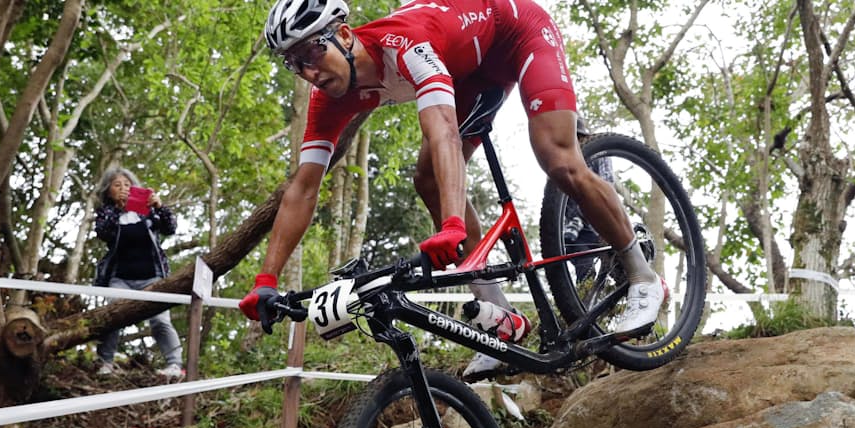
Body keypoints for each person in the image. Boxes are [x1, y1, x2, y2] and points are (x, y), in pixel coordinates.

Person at [242, 0, 667, 379]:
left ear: (345, 35)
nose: (309, 72)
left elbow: (443, 130)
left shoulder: (404, 43)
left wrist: (451, 224)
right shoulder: (328, 100)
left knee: (559, 159)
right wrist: (266, 279)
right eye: (294, 63)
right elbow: (302, 189)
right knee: (426, 178)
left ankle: (643, 277)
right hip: (466, 68)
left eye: (312, 51)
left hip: (517, 32)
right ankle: (501, 316)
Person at [92, 167, 185, 379]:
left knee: (161, 321)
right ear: (108, 191)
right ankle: (105, 362)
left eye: (127, 185)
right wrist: (119, 208)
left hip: (152, 277)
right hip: (120, 279)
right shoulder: (107, 213)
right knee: (112, 316)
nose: (123, 188)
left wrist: (160, 206)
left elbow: (170, 227)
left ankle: (175, 365)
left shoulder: (147, 211)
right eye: (117, 185)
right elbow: (103, 232)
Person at [563, 116, 613, 283]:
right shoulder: (563, 163)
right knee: (585, 271)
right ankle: (586, 303)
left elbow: (607, 184)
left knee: (616, 267)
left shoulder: (599, 155)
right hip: (577, 232)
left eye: (578, 138)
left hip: (601, 223)